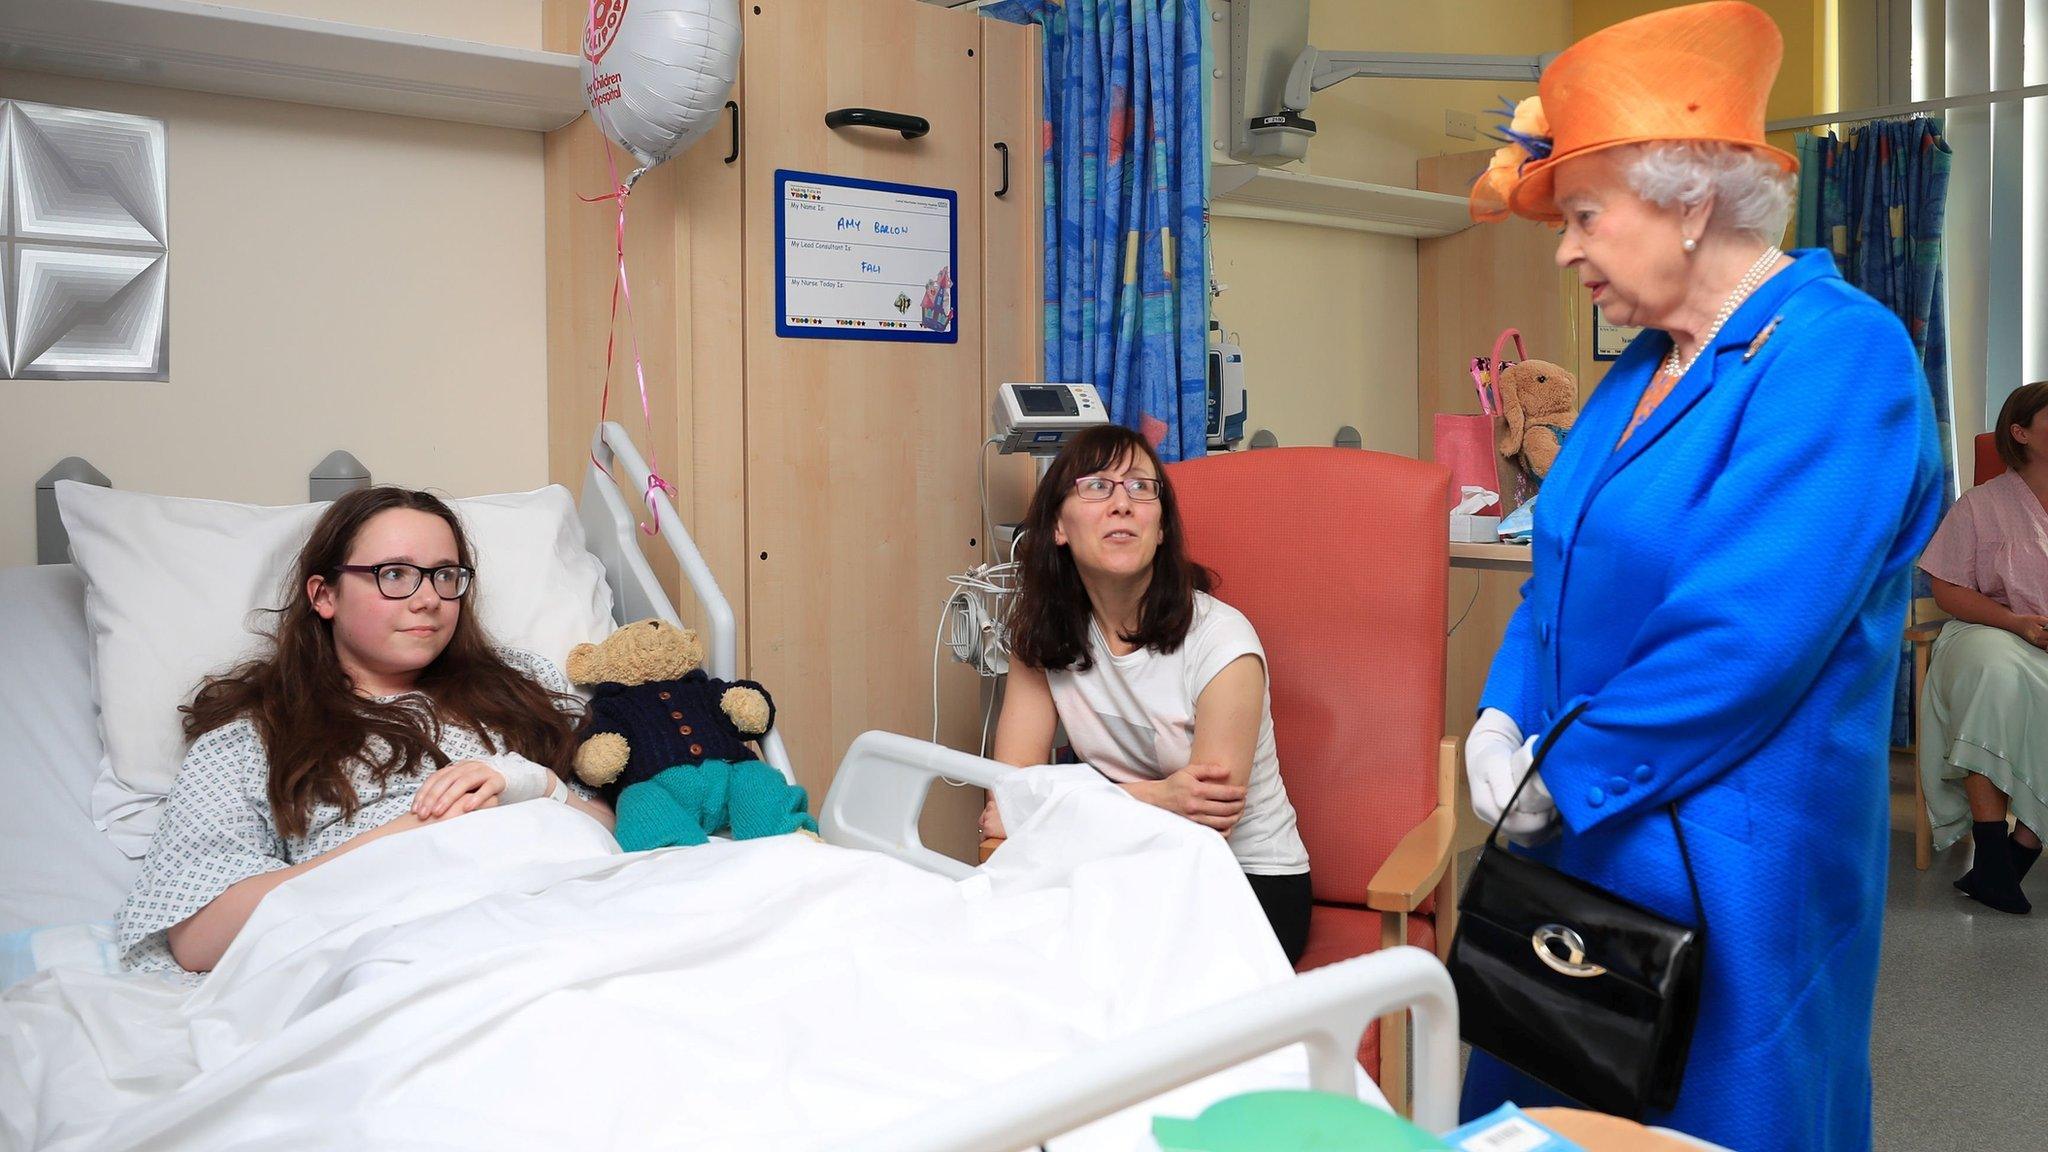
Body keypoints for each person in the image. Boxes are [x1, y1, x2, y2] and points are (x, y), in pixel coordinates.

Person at [1460, 3, 1944, 1146]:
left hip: (1728, 859)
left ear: (1686, 203)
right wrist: (1499, 709)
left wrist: (1557, 769)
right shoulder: (1638, 365)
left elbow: (1744, 634)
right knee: (1537, 1114)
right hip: (1572, 831)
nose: (1566, 248)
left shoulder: (1840, 355)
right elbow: (1555, 566)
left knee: (1721, 1118)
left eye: (1582, 215)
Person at [116, 487, 613, 978]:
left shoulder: (520, 688)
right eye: (394, 574)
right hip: (408, 948)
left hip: (576, 913)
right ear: (324, 595)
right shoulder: (257, 736)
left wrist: (535, 785)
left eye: (445, 575)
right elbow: (199, 938)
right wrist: (410, 837)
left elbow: (620, 835)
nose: (428, 600)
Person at [977, 425, 1313, 964]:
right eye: (1096, 487)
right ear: (1059, 527)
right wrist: (1160, 796)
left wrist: (1054, 805)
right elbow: (1011, 794)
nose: (1121, 505)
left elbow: (1205, 822)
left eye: (1140, 488)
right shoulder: (1042, 634)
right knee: (1002, 950)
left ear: (1160, 530)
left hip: (1245, 884)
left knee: (1087, 969)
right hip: (1115, 863)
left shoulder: (1222, 643)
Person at [1918, 380, 2048, 914]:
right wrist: (2015, 622)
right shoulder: (1980, 506)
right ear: (2021, 434)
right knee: (1992, 672)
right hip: (1991, 630)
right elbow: (1946, 587)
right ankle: (1993, 850)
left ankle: (2018, 852)